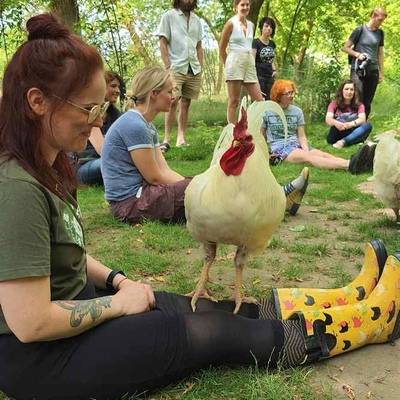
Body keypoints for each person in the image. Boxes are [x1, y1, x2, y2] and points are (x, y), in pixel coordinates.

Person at [1, 14, 399, 400]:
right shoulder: (16, 187)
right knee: (215, 334)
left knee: (207, 306)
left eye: (98, 109)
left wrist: (118, 280)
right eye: (88, 109)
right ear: (37, 102)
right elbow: (31, 322)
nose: (96, 122)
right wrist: (118, 304)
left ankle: (348, 296)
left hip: (79, 307)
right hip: (43, 358)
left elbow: (66, 254)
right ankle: (370, 322)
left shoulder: (47, 167)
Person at [101, 67, 308, 224]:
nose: (173, 97)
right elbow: (155, 176)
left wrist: (198, 185)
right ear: (154, 93)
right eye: (169, 91)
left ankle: (275, 201)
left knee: (210, 191)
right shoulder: (133, 124)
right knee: (210, 196)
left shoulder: (146, 126)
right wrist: (197, 187)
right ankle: (276, 201)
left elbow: (164, 169)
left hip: (144, 195)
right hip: (130, 204)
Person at [262, 80, 374, 173]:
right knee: (309, 157)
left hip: (296, 144)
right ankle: (349, 165)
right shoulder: (267, 111)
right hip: (280, 149)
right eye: (288, 93)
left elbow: (301, 136)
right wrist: (266, 154)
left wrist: (305, 148)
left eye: (292, 92)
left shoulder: (297, 111)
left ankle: (356, 162)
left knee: (322, 154)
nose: (292, 96)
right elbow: (261, 136)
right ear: (278, 95)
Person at [157, 0, 203, 150]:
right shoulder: (168, 16)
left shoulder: (197, 20)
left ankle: (181, 138)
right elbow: (162, 42)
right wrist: (168, 66)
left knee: (186, 103)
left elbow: (199, 46)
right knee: (172, 101)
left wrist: (200, 66)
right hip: (176, 66)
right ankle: (166, 139)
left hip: (193, 67)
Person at [219, 0, 263, 123]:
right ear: (236, 7)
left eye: (247, 5)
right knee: (234, 101)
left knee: (259, 100)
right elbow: (222, 48)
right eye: (242, 5)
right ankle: (233, 134)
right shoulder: (230, 24)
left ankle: (253, 129)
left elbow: (248, 45)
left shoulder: (251, 25)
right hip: (234, 62)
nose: (245, 7)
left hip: (249, 62)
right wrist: (227, 65)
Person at [76, 71, 123, 185]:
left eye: (118, 87)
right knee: (117, 163)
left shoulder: (117, 115)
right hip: (86, 165)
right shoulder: (90, 112)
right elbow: (103, 150)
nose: (118, 91)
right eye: (113, 86)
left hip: (110, 159)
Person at [342, 6, 387, 118]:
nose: (381, 23)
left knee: (367, 102)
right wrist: (358, 55)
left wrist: (381, 72)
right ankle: (351, 127)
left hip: (373, 71)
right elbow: (345, 48)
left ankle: (363, 130)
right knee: (356, 99)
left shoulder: (380, 33)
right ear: (373, 16)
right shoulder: (359, 30)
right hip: (358, 71)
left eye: (382, 20)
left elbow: (380, 53)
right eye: (380, 20)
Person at [325, 79, 372, 148]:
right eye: (346, 89)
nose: (349, 92)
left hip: (353, 130)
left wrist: (351, 124)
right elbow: (328, 119)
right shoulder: (334, 103)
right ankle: (351, 140)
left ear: (354, 92)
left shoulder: (359, 105)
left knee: (368, 126)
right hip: (338, 130)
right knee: (331, 138)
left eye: (351, 89)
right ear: (342, 91)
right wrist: (336, 123)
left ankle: (343, 142)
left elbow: (362, 119)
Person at [252, 16, 277, 100]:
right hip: (259, 77)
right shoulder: (255, 42)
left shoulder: (272, 44)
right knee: (259, 101)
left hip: (270, 77)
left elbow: (271, 59)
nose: (269, 28)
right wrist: (253, 77)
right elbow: (252, 60)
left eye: (271, 27)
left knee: (270, 101)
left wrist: (274, 70)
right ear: (261, 28)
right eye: (266, 26)